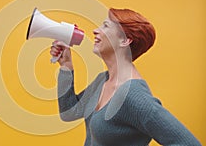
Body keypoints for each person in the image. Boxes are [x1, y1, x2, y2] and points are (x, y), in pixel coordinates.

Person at [50, 8, 201, 146]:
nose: (96, 30)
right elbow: (69, 112)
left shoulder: (134, 97)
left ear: (125, 40)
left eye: (106, 26)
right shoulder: (103, 80)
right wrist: (66, 66)